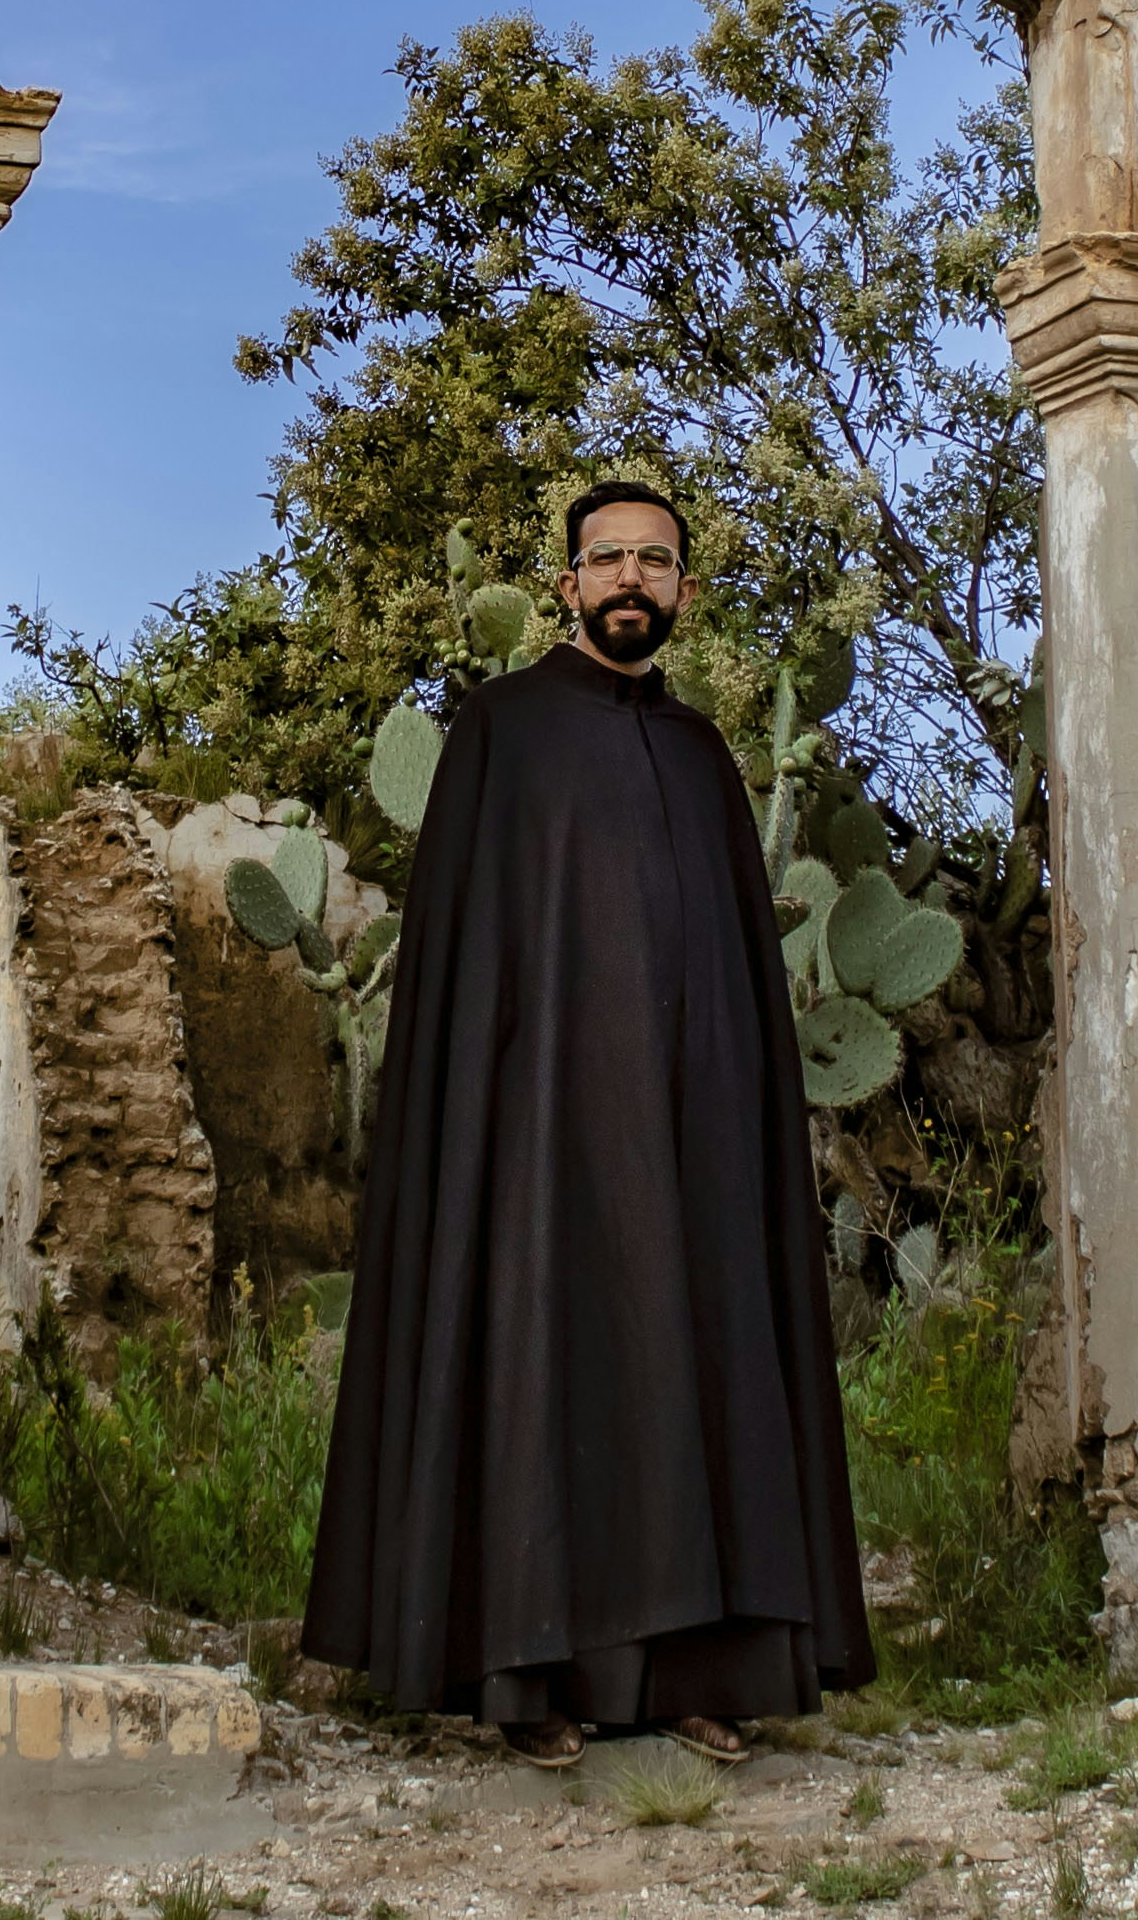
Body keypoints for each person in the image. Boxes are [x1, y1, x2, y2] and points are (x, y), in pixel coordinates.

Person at [298, 478, 875, 1769]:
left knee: (701, 1367)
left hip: (693, 1141)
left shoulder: (701, 756)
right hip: (540, 1140)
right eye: (605, 559)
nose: (628, 579)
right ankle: (528, 1682)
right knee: (546, 1375)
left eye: (652, 562)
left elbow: (730, 968)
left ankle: (696, 1676)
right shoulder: (500, 732)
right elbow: (462, 967)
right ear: (565, 585)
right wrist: (498, 1130)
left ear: (679, 588)